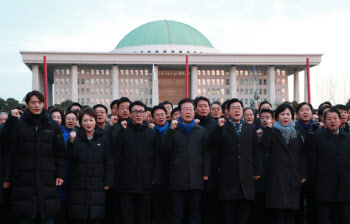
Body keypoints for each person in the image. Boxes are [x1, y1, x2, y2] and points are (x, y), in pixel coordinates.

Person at [4, 90, 65, 224]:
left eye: (40, 102)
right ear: (27, 104)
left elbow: (60, 152)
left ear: (43, 104)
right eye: (33, 102)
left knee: (48, 217)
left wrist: (60, 174)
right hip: (23, 179)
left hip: (48, 178)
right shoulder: (18, 123)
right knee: (25, 217)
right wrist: (11, 121)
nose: (37, 105)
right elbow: (8, 147)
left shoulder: (53, 125)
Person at [162, 98, 210, 224]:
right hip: (177, 178)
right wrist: (171, 131)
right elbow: (165, 150)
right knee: (177, 212)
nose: (188, 112)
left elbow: (206, 152)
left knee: (195, 212)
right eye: (185, 109)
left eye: (191, 109)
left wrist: (205, 171)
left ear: (194, 112)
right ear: (179, 112)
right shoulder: (173, 130)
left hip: (196, 177)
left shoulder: (201, 130)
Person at [217, 98, 262, 224]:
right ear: (227, 112)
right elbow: (215, 148)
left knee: (244, 213)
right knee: (228, 214)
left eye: (239, 107)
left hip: (246, 175)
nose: (236, 110)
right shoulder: (222, 127)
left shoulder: (250, 128)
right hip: (228, 176)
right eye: (233, 108)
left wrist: (257, 170)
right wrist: (219, 129)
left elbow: (256, 150)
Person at [260, 103, 306, 224]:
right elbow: (265, 145)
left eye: (288, 114)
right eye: (282, 114)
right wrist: (268, 129)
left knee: (291, 214)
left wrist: (302, 174)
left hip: (293, 178)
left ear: (292, 117)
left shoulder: (297, 133)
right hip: (276, 178)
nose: (285, 117)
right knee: (278, 214)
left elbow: (302, 156)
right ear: (276, 117)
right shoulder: (272, 131)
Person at [67, 107, 114, 224]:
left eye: (91, 120)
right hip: (79, 184)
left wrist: (108, 181)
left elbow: (108, 162)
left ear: (95, 121)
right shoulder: (75, 137)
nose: (88, 123)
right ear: (80, 122)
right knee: (78, 216)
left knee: (96, 216)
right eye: (85, 120)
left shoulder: (103, 138)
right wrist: (71, 143)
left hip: (97, 184)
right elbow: (70, 158)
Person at [116, 101, 160, 224]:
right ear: (130, 114)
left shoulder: (152, 132)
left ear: (146, 114)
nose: (138, 115)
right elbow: (116, 155)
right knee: (126, 216)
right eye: (135, 112)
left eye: (141, 112)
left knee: (144, 216)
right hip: (126, 182)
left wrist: (155, 177)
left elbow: (157, 157)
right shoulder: (123, 131)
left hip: (146, 181)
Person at [305, 109, 350, 224]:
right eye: (329, 119)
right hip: (324, 189)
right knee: (325, 218)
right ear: (324, 121)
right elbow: (310, 159)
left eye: (335, 118)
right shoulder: (317, 137)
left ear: (341, 120)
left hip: (345, 188)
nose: (332, 121)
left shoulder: (347, 137)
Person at [194, 96, 220, 224]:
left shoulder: (216, 125)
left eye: (205, 106)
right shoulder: (190, 123)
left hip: (212, 171)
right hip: (194, 170)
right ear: (195, 109)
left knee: (211, 206)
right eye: (200, 106)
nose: (203, 109)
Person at [294, 102, 316, 224]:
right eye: (302, 110)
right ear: (297, 114)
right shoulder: (293, 130)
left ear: (312, 113)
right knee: (299, 209)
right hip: (298, 174)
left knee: (314, 208)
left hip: (315, 174)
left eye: (308, 110)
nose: (305, 112)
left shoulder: (319, 129)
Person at [253, 109, 274, 224]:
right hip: (258, 176)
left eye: (268, 117)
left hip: (272, 175)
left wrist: (268, 131)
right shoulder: (254, 133)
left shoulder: (277, 132)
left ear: (273, 119)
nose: (265, 120)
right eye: (262, 118)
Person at [151, 105, 170, 224]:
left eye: (162, 114)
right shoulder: (150, 132)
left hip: (172, 173)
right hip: (155, 175)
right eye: (157, 115)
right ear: (153, 118)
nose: (160, 117)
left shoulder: (174, 129)